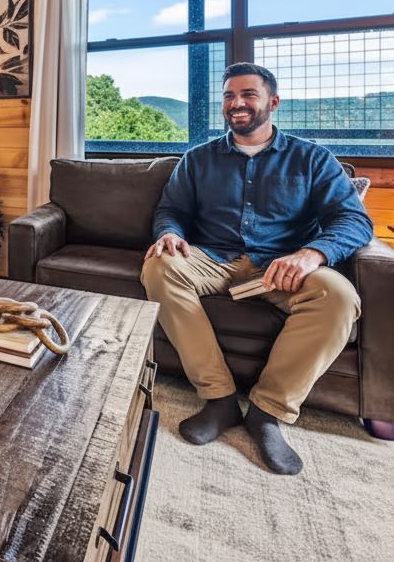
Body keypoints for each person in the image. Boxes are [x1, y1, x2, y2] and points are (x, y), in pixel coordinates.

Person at [140, 62, 372, 475]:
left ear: (273, 102)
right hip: (212, 257)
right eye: (229, 96)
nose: (237, 103)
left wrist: (312, 254)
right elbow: (171, 210)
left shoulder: (312, 159)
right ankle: (219, 399)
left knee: (338, 297)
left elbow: (353, 221)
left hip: (280, 265)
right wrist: (170, 234)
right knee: (158, 268)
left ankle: (267, 412)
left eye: (248, 94)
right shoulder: (198, 159)